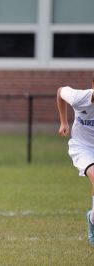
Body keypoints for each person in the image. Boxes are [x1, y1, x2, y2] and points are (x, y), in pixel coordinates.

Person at [57, 80, 94, 246]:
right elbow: (60, 92)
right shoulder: (79, 97)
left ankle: (92, 218)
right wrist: (64, 122)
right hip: (83, 148)